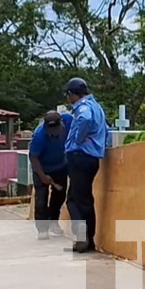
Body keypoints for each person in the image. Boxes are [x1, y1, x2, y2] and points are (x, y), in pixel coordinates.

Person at [64, 78, 107, 253]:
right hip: (91, 158)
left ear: (72, 94)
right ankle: (89, 239)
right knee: (84, 199)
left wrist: (78, 139)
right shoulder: (96, 106)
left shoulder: (83, 108)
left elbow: (85, 120)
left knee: (75, 200)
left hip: (80, 156)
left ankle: (82, 237)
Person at [30, 111, 72, 240]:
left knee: (60, 194)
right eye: (51, 129)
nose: (54, 132)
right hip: (41, 167)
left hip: (60, 166)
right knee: (41, 199)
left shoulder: (67, 121)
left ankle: (53, 219)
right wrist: (42, 175)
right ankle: (42, 229)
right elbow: (33, 156)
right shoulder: (40, 136)